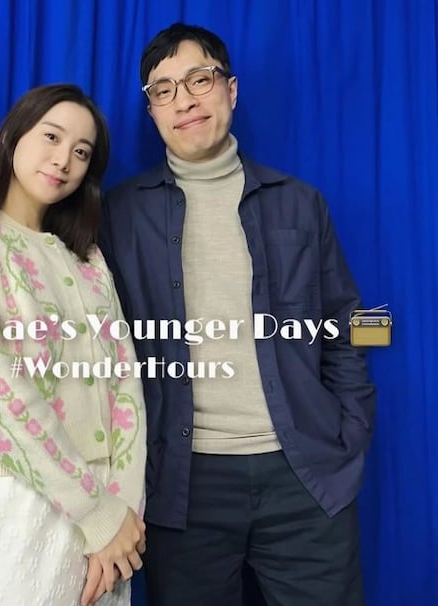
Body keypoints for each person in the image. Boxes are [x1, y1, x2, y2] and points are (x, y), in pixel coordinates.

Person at [99, 23, 376, 606]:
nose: (184, 101)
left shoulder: (300, 202)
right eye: (164, 90)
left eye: (199, 80)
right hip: (181, 485)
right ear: (151, 112)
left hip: (305, 474)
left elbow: (350, 323)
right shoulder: (118, 216)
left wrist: (349, 431)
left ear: (231, 89)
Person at [0, 84, 146, 606]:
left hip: (108, 528)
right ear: (12, 136)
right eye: (52, 137)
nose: (64, 160)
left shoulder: (89, 263)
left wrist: (122, 520)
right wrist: (95, 513)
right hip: (18, 504)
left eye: (82, 152)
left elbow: (125, 389)